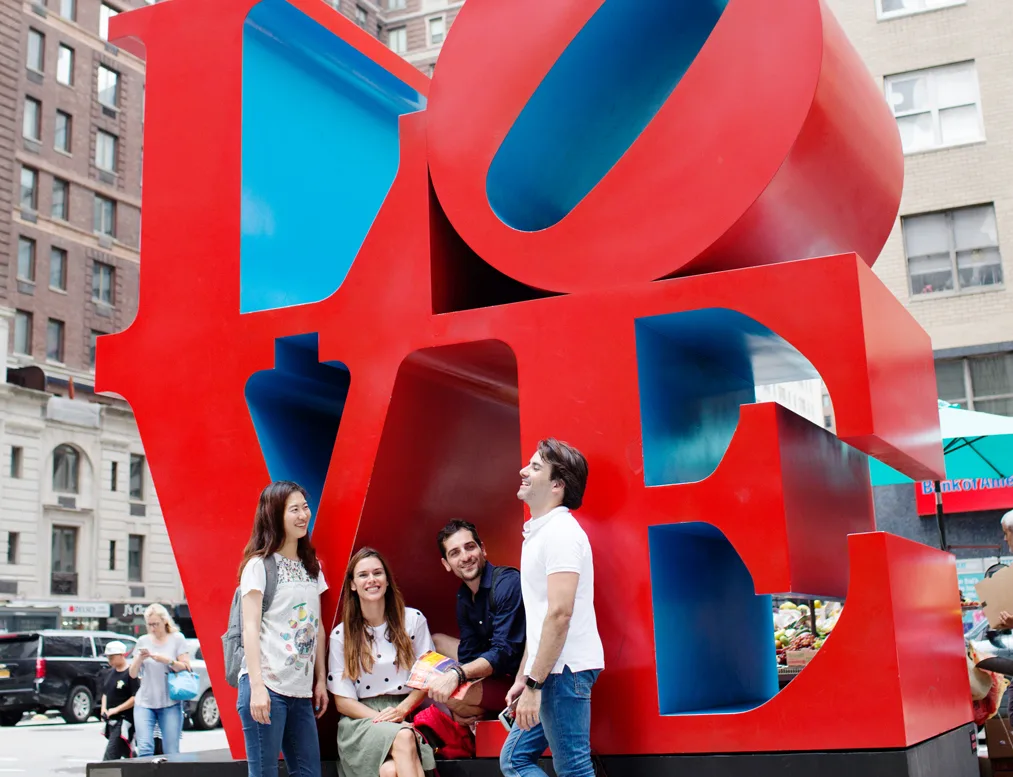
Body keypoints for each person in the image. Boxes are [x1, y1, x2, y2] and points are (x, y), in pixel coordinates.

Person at [500, 438, 604, 777]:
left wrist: (534, 685)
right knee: (514, 760)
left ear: (557, 485)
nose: (522, 471)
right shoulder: (541, 533)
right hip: (551, 671)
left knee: (573, 768)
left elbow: (560, 614)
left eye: (535, 467)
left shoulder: (560, 533)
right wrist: (523, 677)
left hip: (562, 672)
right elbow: (542, 615)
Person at [237, 481, 329, 777]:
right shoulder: (259, 565)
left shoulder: (312, 565)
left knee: (309, 773)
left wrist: (320, 681)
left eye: (305, 507)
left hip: (301, 694)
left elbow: (319, 627)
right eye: (294, 509)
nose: (304, 515)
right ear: (275, 515)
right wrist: (258, 687)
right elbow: (250, 627)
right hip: (268, 688)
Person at [328, 547, 436, 777]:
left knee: (390, 771)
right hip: (360, 722)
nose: (372, 580)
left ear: (387, 580)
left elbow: (428, 677)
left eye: (377, 573)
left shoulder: (413, 620)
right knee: (403, 735)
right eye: (363, 575)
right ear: (353, 585)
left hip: (406, 710)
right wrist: (385, 719)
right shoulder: (341, 635)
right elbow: (343, 702)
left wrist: (400, 711)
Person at [429, 519, 525, 723]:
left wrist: (456, 676)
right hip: (493, 674)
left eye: (470, 547)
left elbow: (502, 653)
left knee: (452, 694)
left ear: (482, 549)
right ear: (446, 564)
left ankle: (487, 713)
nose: (465, 557)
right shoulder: (463, 597)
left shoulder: (507, 582)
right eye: (455, 553)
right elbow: (469, 653)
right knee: (436, 642)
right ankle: (477, 713)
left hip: (520, 682)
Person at [129, 603, 190, 757]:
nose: (152, 628)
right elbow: (132, 674)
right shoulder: (143, 640)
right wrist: (139, 659)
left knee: (171, 751)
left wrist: (167, 661)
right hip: (144, 702)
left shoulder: (177, 639)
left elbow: (186, 667)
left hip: (170, 702)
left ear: (165, 621)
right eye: (149, 625)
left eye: (155, 624)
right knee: (144, 748)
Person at [100, 640, 139, 760]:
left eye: (112, 657)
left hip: (124, 721)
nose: (109, 660)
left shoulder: (130, 673)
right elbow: (105, 693)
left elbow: (135, 697)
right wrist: (104, 709)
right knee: (125, 753)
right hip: (111, 721)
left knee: (110, 756)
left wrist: (116, 710)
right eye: (108, 657)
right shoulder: (109, 673)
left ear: (122, 655)